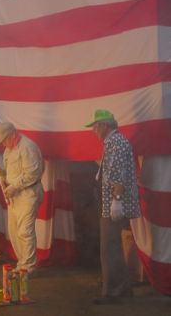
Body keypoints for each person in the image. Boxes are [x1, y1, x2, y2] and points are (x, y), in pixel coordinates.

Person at [86, 110, 141, 304]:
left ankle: (112, 292)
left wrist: (116, 200)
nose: (93, 130)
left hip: (114, 203)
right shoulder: (114, 142)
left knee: (109, 247)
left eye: (95, 126)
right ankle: (123, 286)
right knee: (114, 246)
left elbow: (117, 175)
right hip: (111, 202)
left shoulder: (116, 142)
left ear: (104, 125)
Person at [0, 121, 44, 274]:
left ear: (12, 135)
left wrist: (14, 187)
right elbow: (12, 173)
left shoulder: (27, 147)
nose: (3, 144)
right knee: (15, 231)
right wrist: (1, 172)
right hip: (15, 196)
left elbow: (33, 173)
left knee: (24, 231)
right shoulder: (9, 150)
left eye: (4, 140)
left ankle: (29, 266)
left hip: (28, 194)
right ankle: (22, 263)